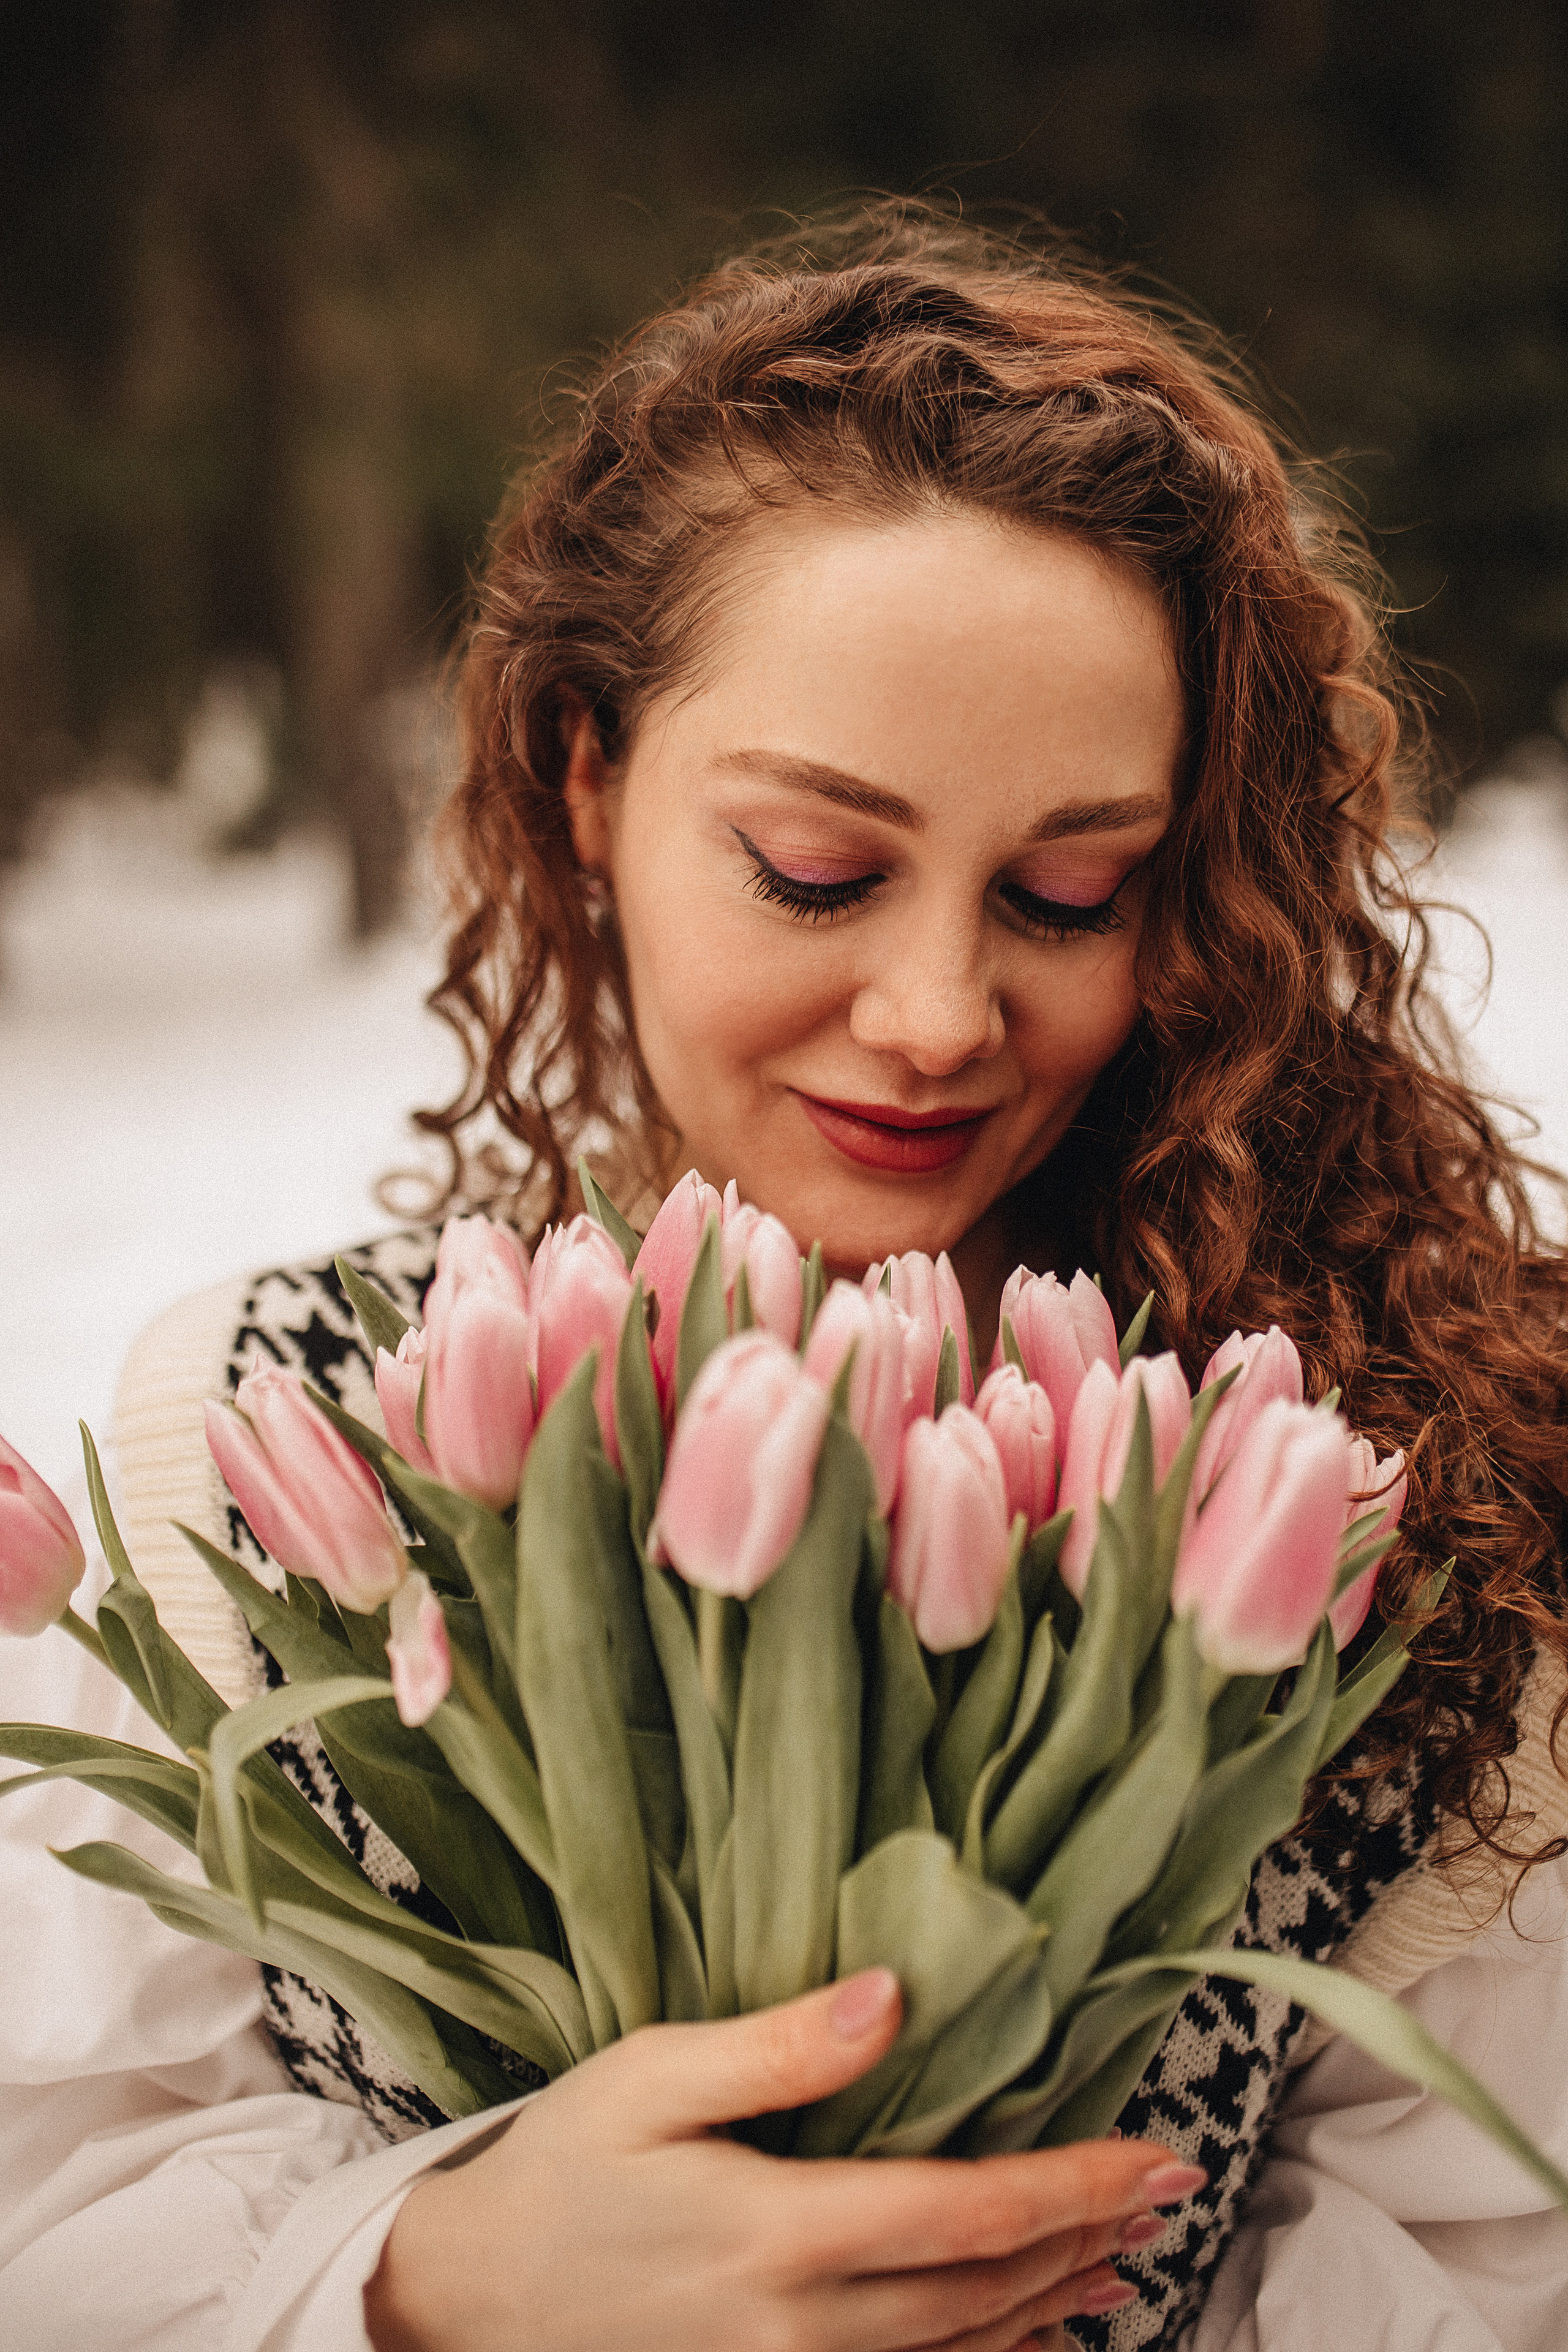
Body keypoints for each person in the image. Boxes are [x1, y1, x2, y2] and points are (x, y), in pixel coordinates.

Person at [2, 204, 1567, 2352]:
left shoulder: (1398, 1507)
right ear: (587, 793)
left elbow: (1492, 2271)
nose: (938, 1013)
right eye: (817, 869)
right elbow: (59, 2206)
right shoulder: (274, 1443)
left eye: (1070, 889)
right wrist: (426, 2285)